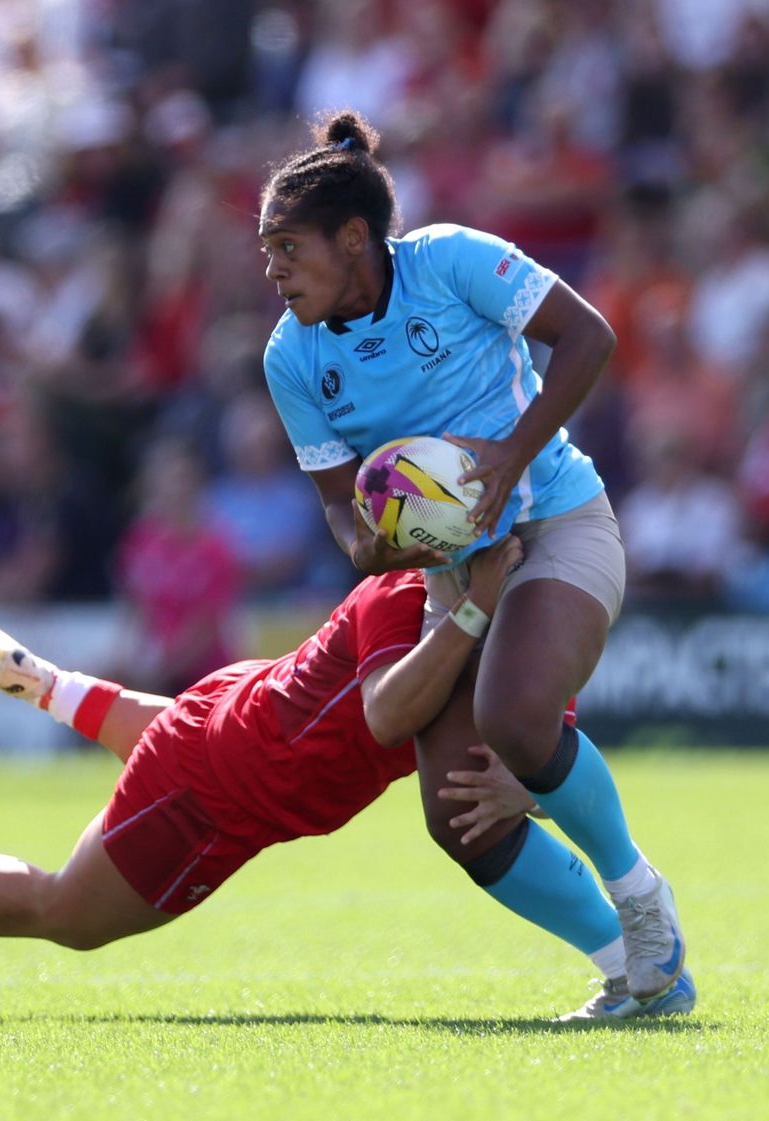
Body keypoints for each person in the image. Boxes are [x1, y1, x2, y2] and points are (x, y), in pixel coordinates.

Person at [0, 542, 695, 1022]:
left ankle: (45, 683)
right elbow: (393, 714)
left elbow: (545, 745)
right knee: (65, 915)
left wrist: (529, 782)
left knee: (194, 749)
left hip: (226, 720)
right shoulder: (416, 598)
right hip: (218, 793)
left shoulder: (509, 604)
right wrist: (469, 610)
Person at [255, 110, 686, 1006]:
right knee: (460, 812)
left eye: (288, 247)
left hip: (558, 522)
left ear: (353, 237)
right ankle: (637, 979)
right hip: (452, 569)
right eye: (267, 250)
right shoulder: (290, 357)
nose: (273, 269)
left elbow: (589, 337)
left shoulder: (450, 261)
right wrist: (371, 546)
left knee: (517, 719)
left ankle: (641, 894)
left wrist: (510, 455)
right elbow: (341, 506)